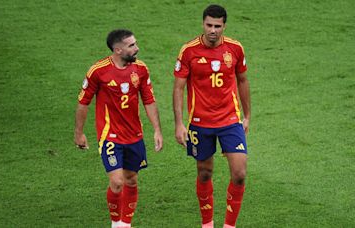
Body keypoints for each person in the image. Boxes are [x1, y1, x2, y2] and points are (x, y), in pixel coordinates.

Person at [74, 29, 163, 228]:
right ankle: (116, 224)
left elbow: (148, 99)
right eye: (131, 45)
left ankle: (126, 223)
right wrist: (79, 134)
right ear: (118, 50)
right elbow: (83, 102)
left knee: (131, 180)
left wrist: (157, 129)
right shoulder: (98, 71)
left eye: (135, 43)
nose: (137, 48)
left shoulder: (140, 69)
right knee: (117, 182)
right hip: (110, 136)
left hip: (134, 135)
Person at [173, 4, 251, 228]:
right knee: (205, 173)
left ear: (224, 26)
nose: (213, 30)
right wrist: (179, 124)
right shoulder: (188, 51)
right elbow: (178, 88)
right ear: (203, 24)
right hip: (200, 122)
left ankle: (229, 225)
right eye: (209, 25)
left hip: (230, 121)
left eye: (217, 26)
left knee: (239, 173)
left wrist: (247, 116)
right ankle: (207, 224)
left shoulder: (235, 49)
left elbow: (243, 81)